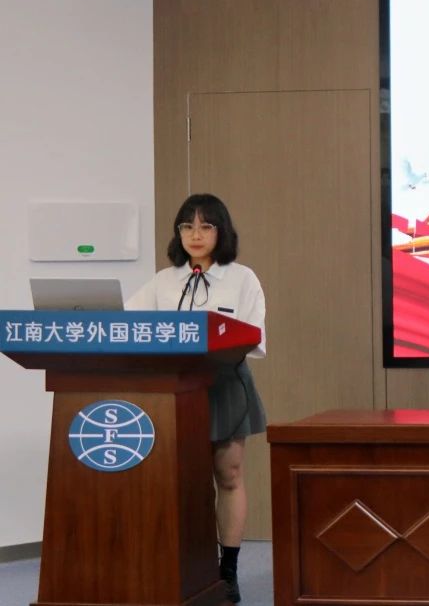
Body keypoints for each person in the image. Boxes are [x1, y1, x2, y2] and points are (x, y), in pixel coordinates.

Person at [126, 193, 267, 604]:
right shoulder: (164, 281)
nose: (195, 234)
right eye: (187, 226)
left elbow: (254, 337)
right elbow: (128, 322)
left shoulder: (242, 278)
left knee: (228, 475)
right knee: (182, 480)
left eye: (206, 226)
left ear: (222, 232)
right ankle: (185, 565)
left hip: (224, 384)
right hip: (173, 388)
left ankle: (229, 571)